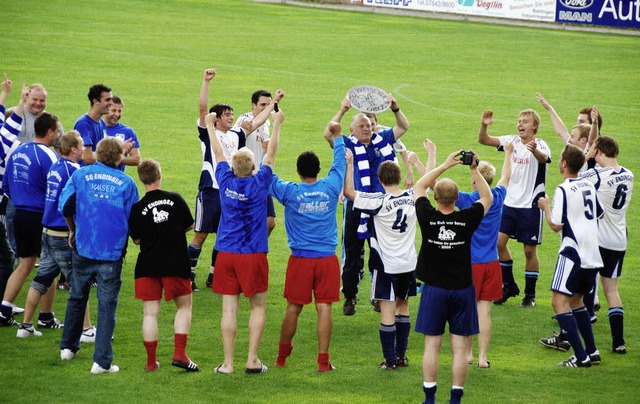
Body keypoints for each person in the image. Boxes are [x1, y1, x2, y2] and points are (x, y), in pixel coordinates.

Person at [206, 86, 285, 375]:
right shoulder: (260, 182)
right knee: (258, 308)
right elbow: (272, 153)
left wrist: (210, 127)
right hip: (253, 253)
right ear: (253, 166)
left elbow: (217, 153)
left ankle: (227, 364)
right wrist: (276, 124)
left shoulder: (225, 180)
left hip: (226, 252)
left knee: (229, 310)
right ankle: (252, 360)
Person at [540, 136, 633, 355]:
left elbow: (576, 174)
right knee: (611, 289)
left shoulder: (596, 177)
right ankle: (618, 341)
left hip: (596, 239)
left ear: (598, 151)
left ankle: (568, 337)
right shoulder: (629, 174)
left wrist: (586, 155)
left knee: (574, 293)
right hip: (619, 239)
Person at [413, 149, 492, 404]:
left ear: (435, 197)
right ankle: (455, 399)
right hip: (461, 290)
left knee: (431, 346)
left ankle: (429, 398)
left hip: (434, 290)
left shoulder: (427, 216)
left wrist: (445, 165)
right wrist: (473, 169)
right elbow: (487, 196)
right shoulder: (467, 218)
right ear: (458, 198)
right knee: (459, 349)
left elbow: (419, 185)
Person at [187, 69, 276, 292]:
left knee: (224, 232)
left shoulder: (236, 134)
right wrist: (205, 81)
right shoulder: (208, 132)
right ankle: (187, 275)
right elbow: (202, 108)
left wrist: (274, 103)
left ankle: (214, 275)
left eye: (231, 114)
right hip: (210, 188)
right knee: (202, 233)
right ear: (216, 119)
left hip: (229, 190)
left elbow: (256, 122)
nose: (230, 117)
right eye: (227, 114)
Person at [58, 137, 139, 374]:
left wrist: (73, 229)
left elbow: (64, 206)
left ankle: (68, 348)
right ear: (118, 157)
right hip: (111, 252)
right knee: (106, 306)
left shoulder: (80, 175)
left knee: (76, 297)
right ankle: (102, 362)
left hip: (83, 247)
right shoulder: (126, 182)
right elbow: (133, 218)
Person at [323, 95, 410, 316]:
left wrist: (395, 108)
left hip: (381, 206)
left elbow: (403, 126)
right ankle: (350, 295)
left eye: (369, 125)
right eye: (361, 126)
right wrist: (342, 110)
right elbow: (328, 132)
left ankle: (378, 295)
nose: (367, 128)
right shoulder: (347, 143)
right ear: (352, 130)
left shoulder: (382, 139)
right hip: (356, 203)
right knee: (352, 252)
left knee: (379, 252)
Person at [271, 118, 345, 373]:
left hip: (300, 259)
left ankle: (281, 357)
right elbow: (340, 163)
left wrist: (268, 144)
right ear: (318, 169)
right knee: (324, 308)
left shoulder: (290, 192)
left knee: (293, 307)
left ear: (299, 171)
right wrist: (338, 135)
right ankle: (323, 361)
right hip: (327, 259)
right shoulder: (331, 186)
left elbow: (266, 174)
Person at [344, 154, 418, 370]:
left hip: (386, 265)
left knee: (387, 310)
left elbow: (349, 193)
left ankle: (390, 360)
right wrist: (425, 157)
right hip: (409, 264)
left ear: (380, 179)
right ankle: (402, 356)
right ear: (399, 176)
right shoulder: (413, 196)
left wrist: (350, 165)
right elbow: (426, 183)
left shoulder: (378, 201)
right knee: (403, 307)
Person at [129, 158, 199, 372]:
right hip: (175, 262)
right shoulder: (175, 199)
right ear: (159, 175)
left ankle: (151, 363)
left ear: (142, 179)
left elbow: (137, 239)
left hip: (147, 265)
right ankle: (180, 354)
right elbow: (190, 225)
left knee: (150, 313)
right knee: (184, 307)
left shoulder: (137, 207)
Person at [536, 144, 602, 367]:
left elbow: (556, 225)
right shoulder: (590, 186)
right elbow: (599, 214)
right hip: (593, 253)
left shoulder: (563, 189)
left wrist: (545, 206)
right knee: (576, 300)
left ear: (563, 163)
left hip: (573, 253)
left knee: (558, 302)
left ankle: (581, 357)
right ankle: (592, 351)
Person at [478, 108, 551, 307]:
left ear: (534, 125)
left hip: (531, 206)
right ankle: (509, 285)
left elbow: (544, 158)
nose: (520, 124)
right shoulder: (512, 141)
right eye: (519, 120)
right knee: (498, 243)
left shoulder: (541, 144)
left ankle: (530, 294)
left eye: (525, 121)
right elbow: (484, 140)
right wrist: (484, 124)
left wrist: (534, 149)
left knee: (529, 251)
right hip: (509, 204)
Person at [16, 131, 84, 338]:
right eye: (81, 145)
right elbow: (73, 204)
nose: (84, 149)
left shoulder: (55, 166)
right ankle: (87, 330)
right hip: (63, 234)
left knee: (42, 279)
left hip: (46, 231)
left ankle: (25, 326)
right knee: (79, 282)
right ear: (73, 148)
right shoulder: (74, 171)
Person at [455, 141, 513, 369]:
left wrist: (425, 161)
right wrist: (508, 153)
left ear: (474, 180)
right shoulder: (497, 197)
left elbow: (439, 188)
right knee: (484, 311)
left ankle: (468, 354)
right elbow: (506, 176)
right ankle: (482, 358)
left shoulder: (468, 200)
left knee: (469, 310)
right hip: (492, 263)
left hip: (470, 264)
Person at [0, 112, 59, 326]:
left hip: (19, 215)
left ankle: (4, 309)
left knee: (24, 264)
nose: (59, 135)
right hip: (39, 217)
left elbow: (5, 185)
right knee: (49, 266)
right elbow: (55, 186)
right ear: (50, 132)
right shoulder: (48, 155)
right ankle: (46, 317)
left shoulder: (17, 152)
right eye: (57, 131)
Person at [235, 90, 277, 236]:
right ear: (253, 105)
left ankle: (257, 246)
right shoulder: (243, 120)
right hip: (247, 178)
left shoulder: (267, 123)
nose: (265, 108)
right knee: (247, 219)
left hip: (261, 177)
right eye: (262, 105)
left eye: (268, 105)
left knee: (270, 222)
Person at [0, 75, 24, 310]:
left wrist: (5, 93)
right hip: (4, 203)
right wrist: (20, 102)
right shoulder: (5, 145)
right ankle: (2, 304)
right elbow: (10, 128)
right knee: (7, 258)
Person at [74, 83, 114, 165]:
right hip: (86, 174)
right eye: (107, 100)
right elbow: (87, 158)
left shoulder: (101, 123)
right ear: (95, 101)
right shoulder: (83, 124)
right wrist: (110, 157)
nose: (111, 103)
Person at [103, 95, 140, 171]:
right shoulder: (95, 128)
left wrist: (117, 158)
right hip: (96, 177)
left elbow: (136, 159)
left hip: (116, 180)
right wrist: (118, 152)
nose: (117, 114)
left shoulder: (127, 132)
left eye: (119, 111)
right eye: (113, 110)